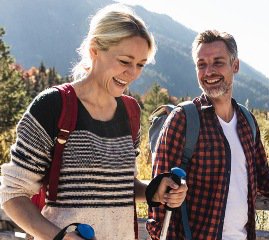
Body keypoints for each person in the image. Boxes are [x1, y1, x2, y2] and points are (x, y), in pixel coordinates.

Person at [0, 4, 187, 240]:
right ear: (95, 49)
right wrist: (62, 238)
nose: (133, 73)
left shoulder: (130, 113)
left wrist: (154, 190)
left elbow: (120, 186)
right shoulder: (53, 106)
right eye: (124, 61)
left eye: (140, 64)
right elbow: (12, 195)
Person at [146, 29, 269, 240]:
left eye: (218, 62)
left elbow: (262, 177)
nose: (208, 71)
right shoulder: (183, 119)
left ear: (235, 65)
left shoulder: (247, 122)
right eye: (202, 64)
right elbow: (158, 197)